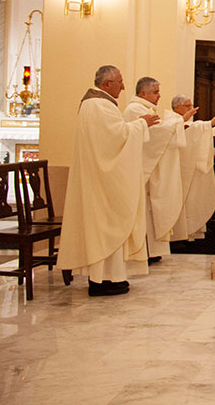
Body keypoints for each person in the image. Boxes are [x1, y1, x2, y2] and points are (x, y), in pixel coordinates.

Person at [56, 65, 158, 297]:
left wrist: (138, 124)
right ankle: (101, 280)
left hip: (100, 177)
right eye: (120, 82)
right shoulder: (99, 105)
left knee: (104, 227)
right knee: (106, 227)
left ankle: (107, 277)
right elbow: (117, 137)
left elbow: (114, 135)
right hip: (102, 181)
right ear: (106, 84)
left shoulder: (95, 104)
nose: (123, 86)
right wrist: (142, 123)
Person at [124, 77, 193, 264]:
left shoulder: (146, 109)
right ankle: (143, 251)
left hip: (149, 169)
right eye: (155, 92)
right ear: (143, 93)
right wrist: (179, 121)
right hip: (143, 169)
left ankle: (151, 250)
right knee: (146, 212)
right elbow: (155, 135)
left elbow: (160, 131)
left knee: (150, 211)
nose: (159, 95)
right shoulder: (134, 110)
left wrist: (179, 123)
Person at [168, 95, 215, 240]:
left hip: (187, 166)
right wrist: (207, 124)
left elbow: (192, 129)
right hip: (178, 168)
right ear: (177, 107)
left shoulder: (181, 121)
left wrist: (206, 126)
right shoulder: (170, 119)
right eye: (187, 106)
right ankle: (180, 234)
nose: (190, 109)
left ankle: (191, 231)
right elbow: (186, 130)